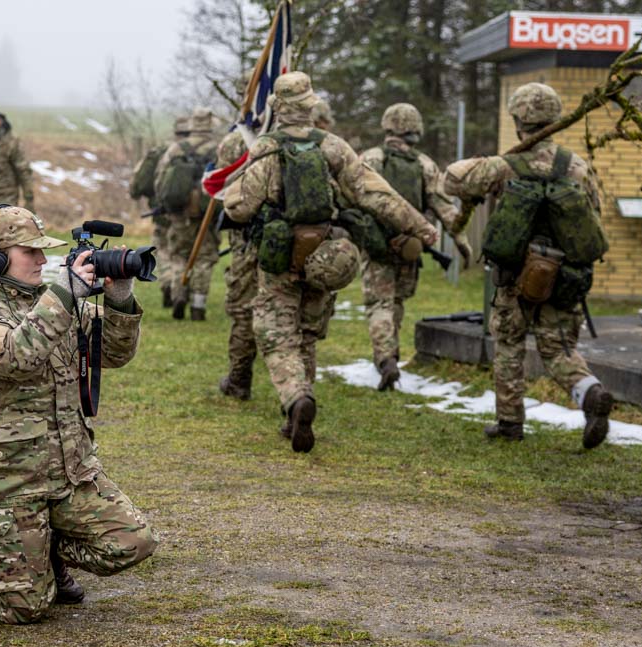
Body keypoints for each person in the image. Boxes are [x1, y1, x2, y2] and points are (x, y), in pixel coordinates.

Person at [0, 204, 156, 624]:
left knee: (132, 542)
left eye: (44, 251)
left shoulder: (57, 304)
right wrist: (64, 294)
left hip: (68, 472)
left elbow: (114, 353)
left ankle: (44, 550)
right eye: (31, 252)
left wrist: (118, 296)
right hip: (7, 481)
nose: (43, 261)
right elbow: (14, 358)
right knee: (24, 607)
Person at [224, 72, 438, 452]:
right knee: (307, 333)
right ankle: (295, 414)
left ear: (277, 109)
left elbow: (239, 207)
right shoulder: (334, 147)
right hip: (326, 254)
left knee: (276, 335)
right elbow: (376, 195)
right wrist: (420, 225)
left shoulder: (266, 149)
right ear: (311, 107)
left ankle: (296, 397)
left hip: (279, 259)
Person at [444, 83, 614, 449]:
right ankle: (589, 392)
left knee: (508, 345)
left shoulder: (504, 166)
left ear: (518, 120)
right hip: (563, 278)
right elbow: (595, 217)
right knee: (558, 351)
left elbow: (451, 180)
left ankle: (509, 423)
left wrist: (484, 161)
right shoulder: (577, 167)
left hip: (514, 279)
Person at [218, 99, 336, 401]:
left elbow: (226, 193)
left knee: (246, 310)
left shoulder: (241, 142)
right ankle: (299, 390)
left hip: (252, 240)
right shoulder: (315, 143)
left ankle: (240, 378)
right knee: (302, 321)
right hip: (306, 243)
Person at [359, 103, 471, 390]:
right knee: (396, 301)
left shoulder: (370, 159)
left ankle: (385, 359)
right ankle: (391, 354)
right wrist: (461, 239)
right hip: (410, 246)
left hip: (377, 245)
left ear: (387, 126)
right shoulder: (425, 164)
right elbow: (444, 206)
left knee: (379, 303)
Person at [155, 107, 219, 320]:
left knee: (178, 255)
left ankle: (178, 294)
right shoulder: (218, 149)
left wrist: (166, 206)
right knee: (204, 259)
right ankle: (198, 306)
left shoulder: (176, 149)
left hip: (178, 215)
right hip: (206, 215)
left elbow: (160, 180)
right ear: (210, 124)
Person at [132, 116, 191, 308]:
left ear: (175, 131)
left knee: (163, 249)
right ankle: (180, 289)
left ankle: (167, 281)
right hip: (189, 214)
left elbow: (139, 183)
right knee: (183, 253)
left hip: (161, 212)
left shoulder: (161, 151)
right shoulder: (197, 151)